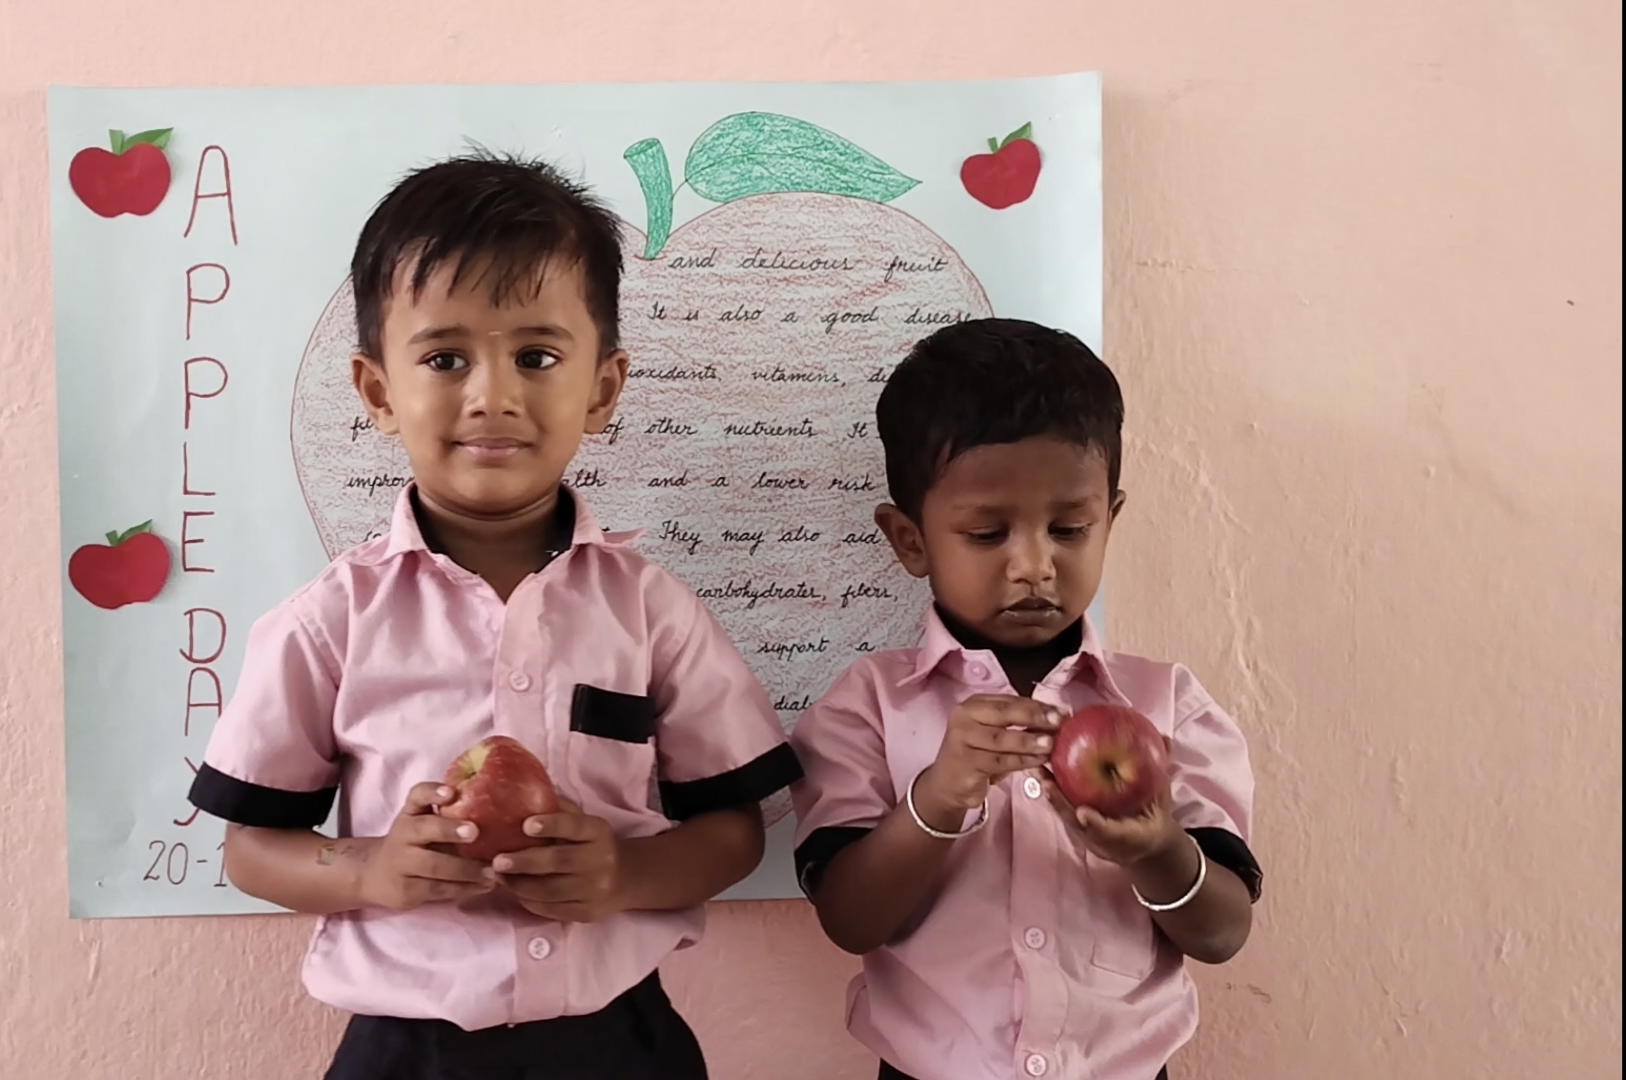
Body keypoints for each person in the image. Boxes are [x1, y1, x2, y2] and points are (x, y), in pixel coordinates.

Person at [188, 153, 801, 1080]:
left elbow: (734, 829)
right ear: (378, 392)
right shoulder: (331, 622)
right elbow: (251, 847)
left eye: (537, 357)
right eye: (444, 358)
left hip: (620, 1042)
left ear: (602, 389)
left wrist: (625, 874)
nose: (493, 395)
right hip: (409, 1051)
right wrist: (369, 870)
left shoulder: (652, 612)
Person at [789, 318, 1265, 1080]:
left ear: (1109, 520)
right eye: (987, 534)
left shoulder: (1168, 705)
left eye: (1070, 529)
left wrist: (1155, 850)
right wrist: (937, 801)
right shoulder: (867, 707)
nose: (1035, 566)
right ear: (910, 540)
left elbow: (1222, 934)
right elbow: (849, 921)